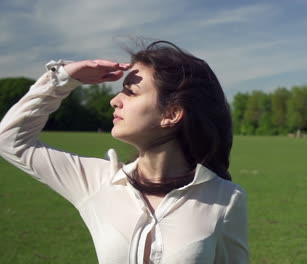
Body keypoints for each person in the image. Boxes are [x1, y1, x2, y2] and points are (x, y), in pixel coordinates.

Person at [0, 41, 249, 264]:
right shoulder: (96, 181)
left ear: (171, 114)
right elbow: (10, 140)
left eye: (130, 92)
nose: (115, 100)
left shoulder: (225, 199)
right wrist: (63, 78)